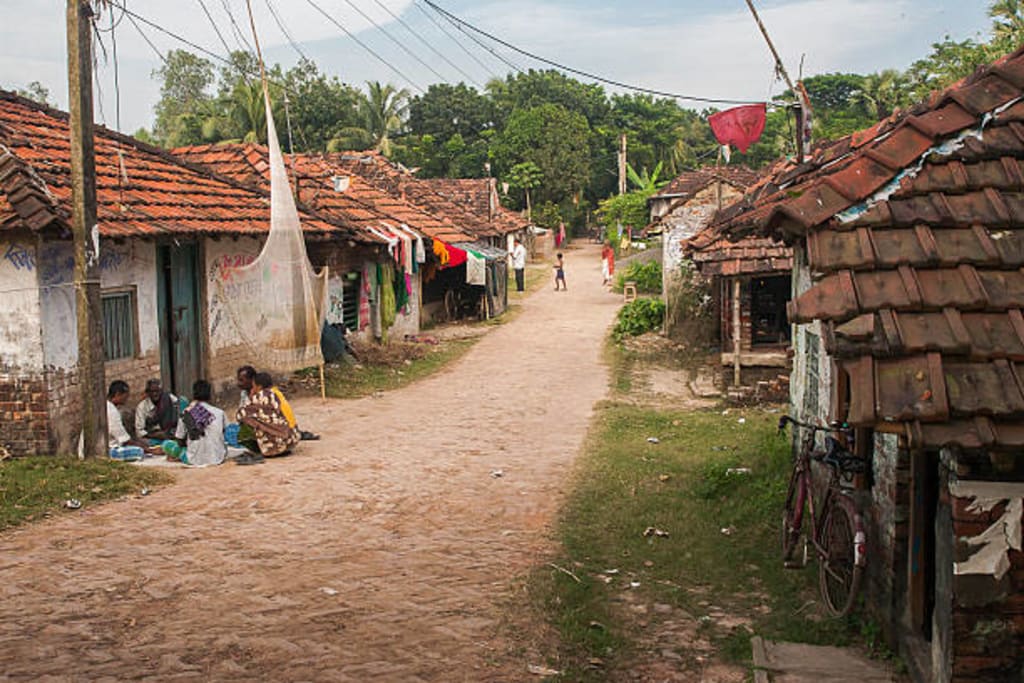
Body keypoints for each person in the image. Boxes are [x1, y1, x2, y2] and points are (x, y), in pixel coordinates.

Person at [237, 364, 319, 440]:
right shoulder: (246, 393)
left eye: (241, 380)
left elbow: (243, 415)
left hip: (282, 431)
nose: (238, 383)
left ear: (252, 380)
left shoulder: (265, 396)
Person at [235, 372, 300, 464]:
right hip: (293, 438)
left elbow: (240, 415)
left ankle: (266, 448)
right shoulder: (277, 393)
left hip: (279, 443)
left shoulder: (261, 396)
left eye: (254, 386)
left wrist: (251, 396)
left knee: (246, 423)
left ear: (259, 386)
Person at [174, 379, 228, 467]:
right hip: (217, 458)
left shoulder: (186, 412)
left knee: (168, 446)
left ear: (194, 394)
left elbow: (179, 440)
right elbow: (224, 433)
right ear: (210, 395)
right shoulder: (219, 413)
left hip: (194, 459)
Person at [107, 380, 151, 452]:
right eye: (126, 396)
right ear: (117, 394)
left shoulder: (106, 406)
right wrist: (148, 449)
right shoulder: (111, 411)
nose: (127, 399)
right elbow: (124, 439)